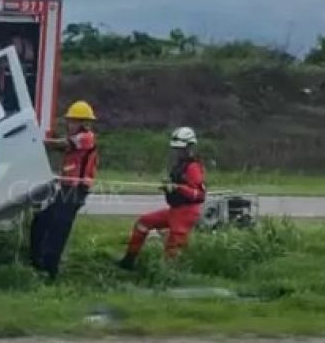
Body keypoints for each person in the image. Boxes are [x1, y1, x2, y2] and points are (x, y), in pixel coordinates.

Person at [29, 100, 99, 279]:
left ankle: (49, 271)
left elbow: (61, 144)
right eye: (69, 121)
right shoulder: (79, 139)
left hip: (75, 191)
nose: (69, 124)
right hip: (67, 189)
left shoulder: (86, 137)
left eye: (73, 121)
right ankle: (37, 261)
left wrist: (37, 142)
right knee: (42, 220)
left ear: (83, 123)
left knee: (58, 230)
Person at [119, 127, 206, 268]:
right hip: (174, 210)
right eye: (176, 149)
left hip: (186, 212)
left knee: (173, 247)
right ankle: (129, 261)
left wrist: (178, 188)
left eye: (181, 149)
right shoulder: (180, 165)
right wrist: (168, 186)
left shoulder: (193, 167)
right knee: (143, 223)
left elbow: (200, 195)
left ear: (190, 147)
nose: (178, 152)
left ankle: (170, 275)